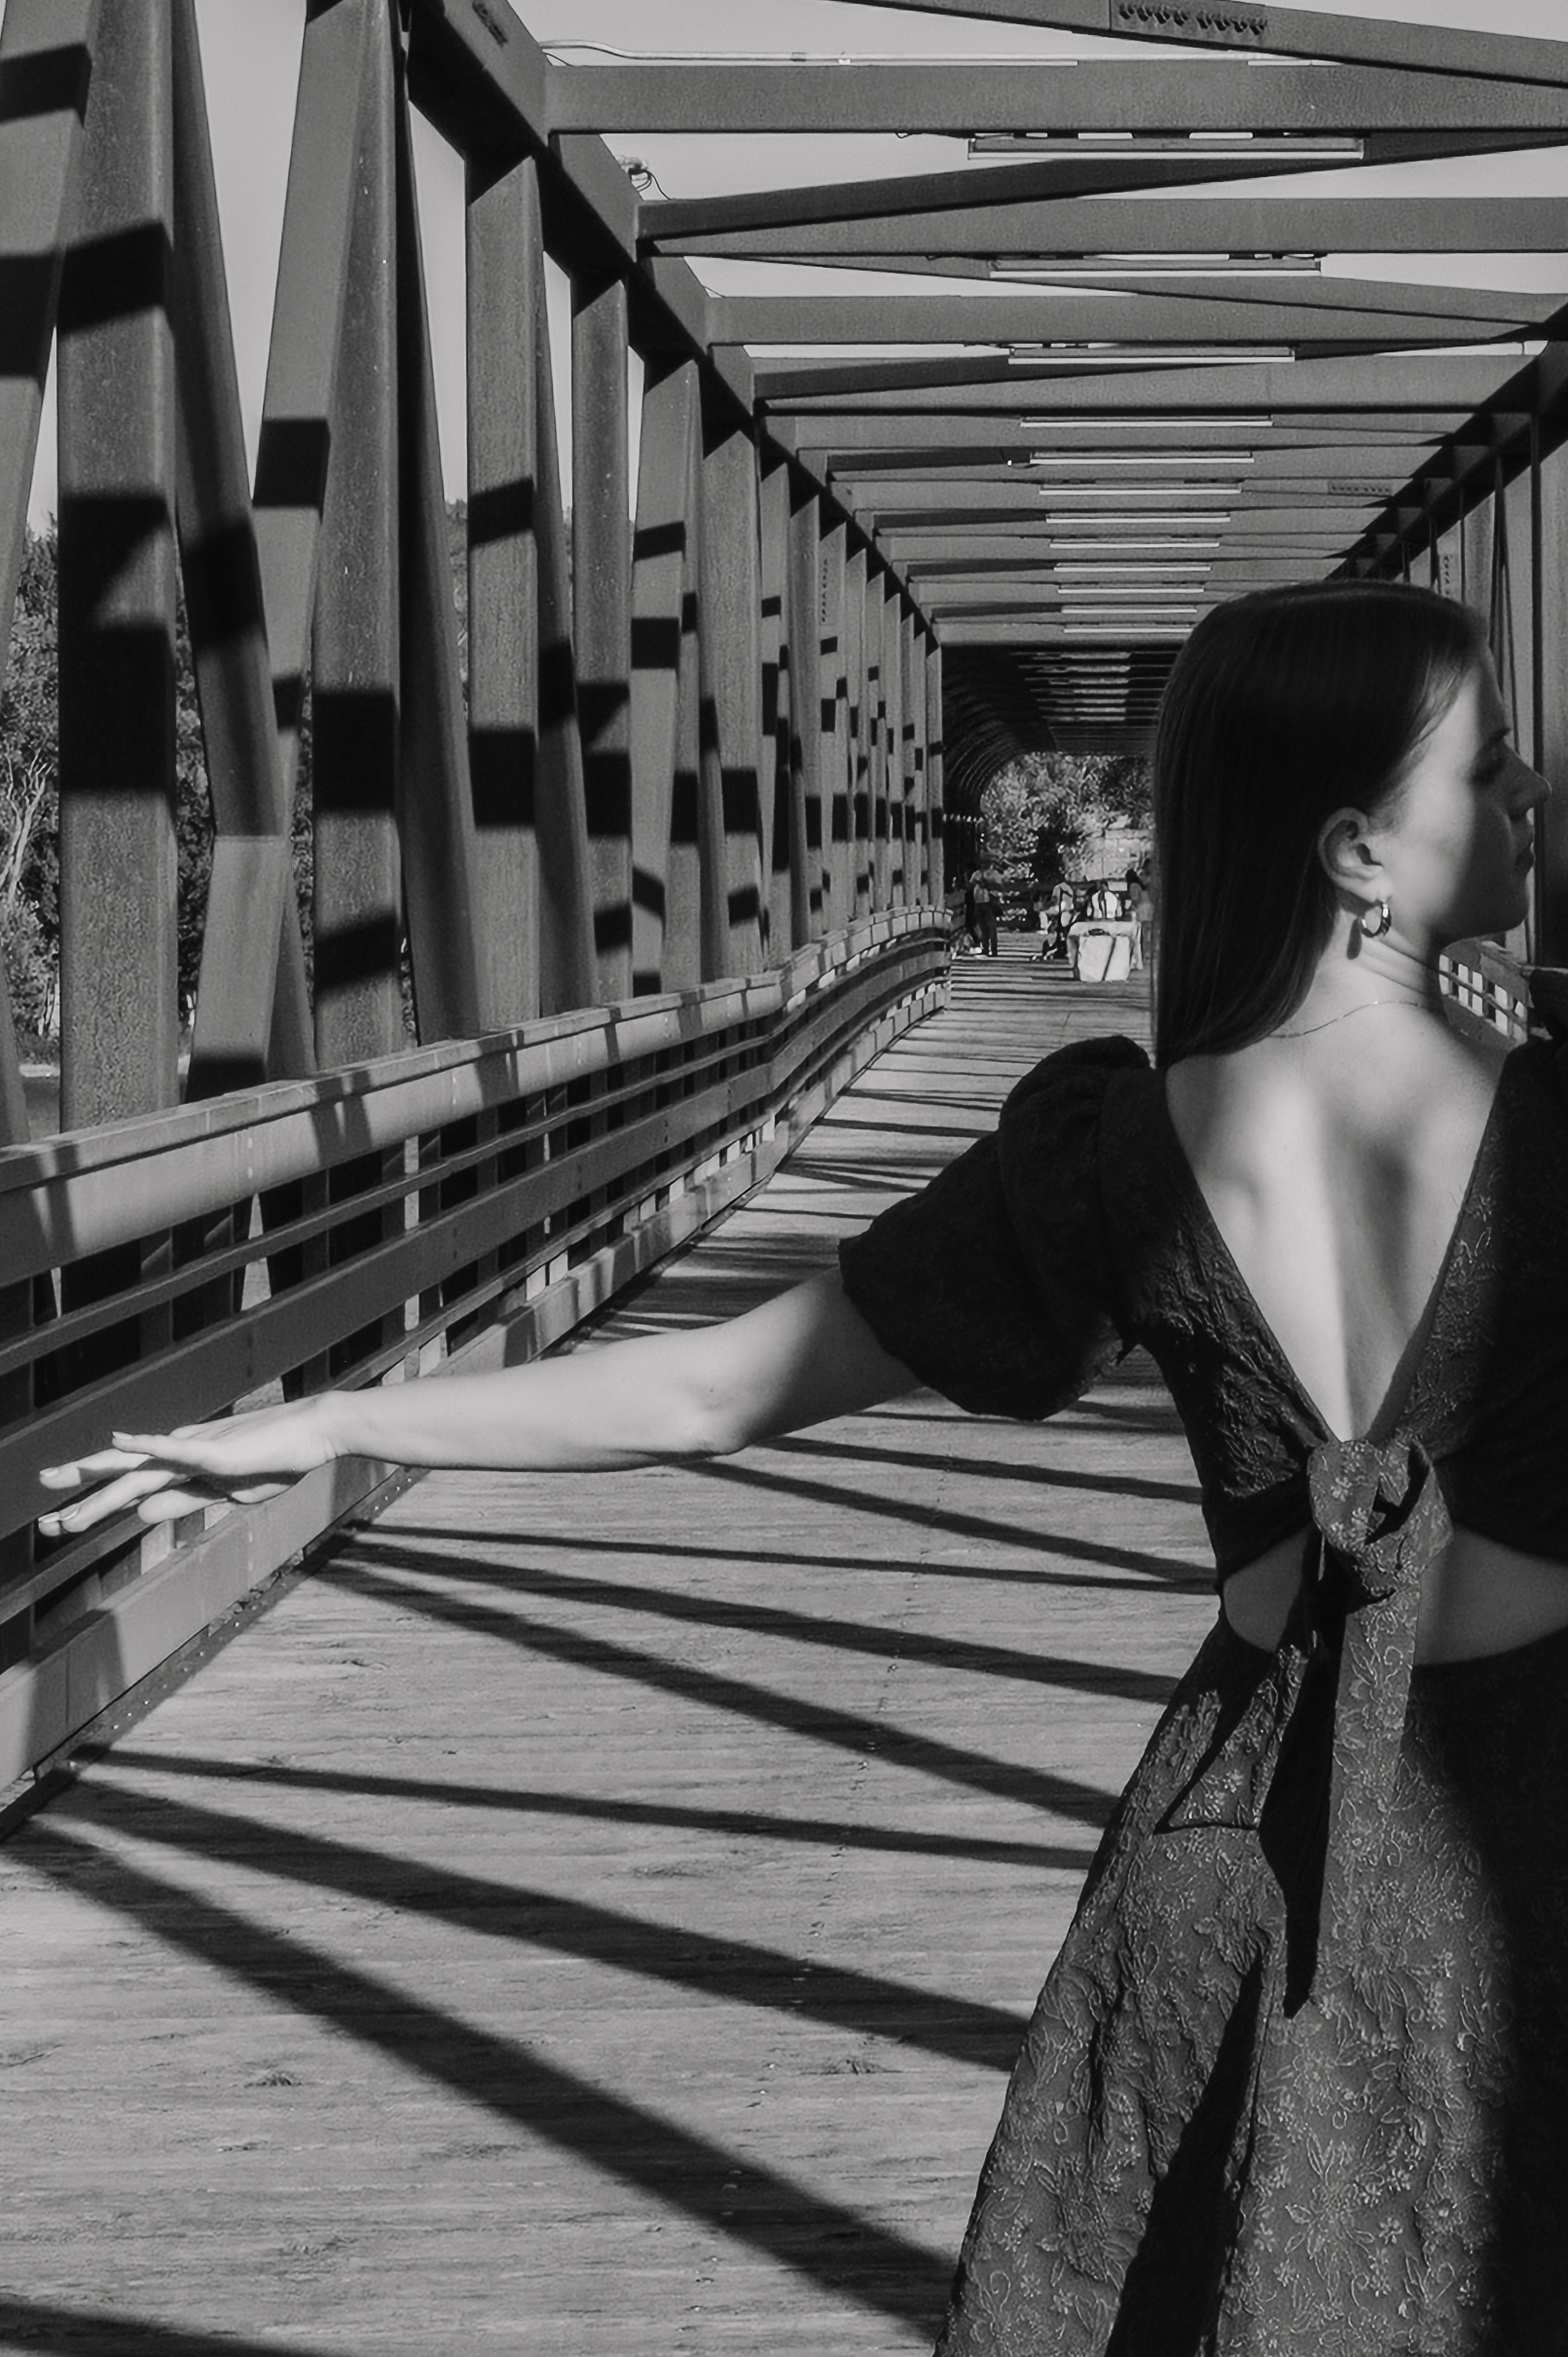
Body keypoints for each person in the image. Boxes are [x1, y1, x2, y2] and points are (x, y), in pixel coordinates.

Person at [37, 579, 1566, 2350]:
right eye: (1494, 766)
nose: (1535, 790)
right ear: (1360, 850)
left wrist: (332, 1419)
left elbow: (711, 1389)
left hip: (1235, 1865)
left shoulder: (1126, 1152)